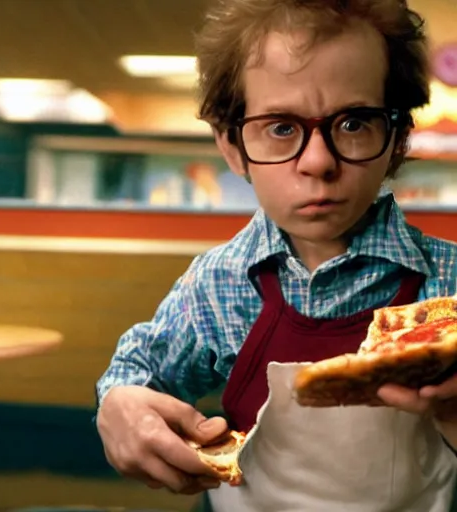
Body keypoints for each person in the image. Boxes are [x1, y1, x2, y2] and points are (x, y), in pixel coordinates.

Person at [95, 0, 457, 510]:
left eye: (354, 123)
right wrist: (118, 404)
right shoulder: (217, 284)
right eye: (281, 127)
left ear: (396, 137)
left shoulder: (451, 281)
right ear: (231, 145)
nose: (318, 162)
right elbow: (136, 371)